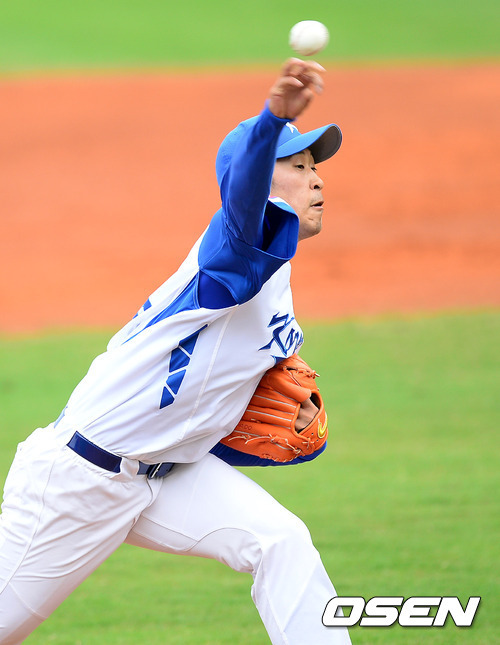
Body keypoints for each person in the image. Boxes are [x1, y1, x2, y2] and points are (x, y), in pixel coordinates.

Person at [0, 58, 350, 644]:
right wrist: (271, 122)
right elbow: (240, 202)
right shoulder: (234, 256)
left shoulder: (275, 270)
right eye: (297, 166)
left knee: (281, 542)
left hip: (169, 475)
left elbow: (205, 393)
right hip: (79, 480)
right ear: (259, 178)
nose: (316, 180)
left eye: (316, 167)